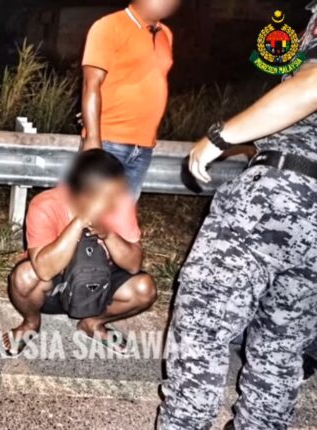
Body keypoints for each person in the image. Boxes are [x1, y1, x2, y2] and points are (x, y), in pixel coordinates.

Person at [158, 3, 317, 428]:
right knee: (281, 347)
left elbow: (313, 83)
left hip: (279, 198)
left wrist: (220, 136)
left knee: (203, 322)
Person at [2, 149, 157, 356]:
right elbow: (44, 271)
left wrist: (109, 235)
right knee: (24, 277)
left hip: (100, 282)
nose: (117, 200)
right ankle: (30, 324)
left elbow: (134, 265)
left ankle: (93, 324)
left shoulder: (120, 203)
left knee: (144, 289)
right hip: (56, 286)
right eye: (109, 196)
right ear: (82, 194)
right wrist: (79, 221)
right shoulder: (45, 204)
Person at [80, 0, 180, 198]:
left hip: (144, 147)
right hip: (108, 143)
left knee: (122, 215)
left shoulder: (166, 34)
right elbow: (90, 85)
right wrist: (92, 141)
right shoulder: (109, 26)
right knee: (92, 212)